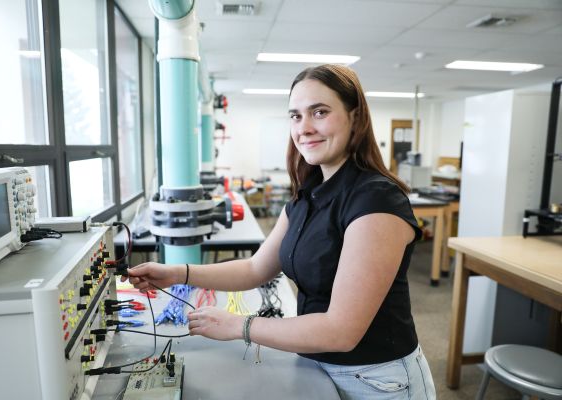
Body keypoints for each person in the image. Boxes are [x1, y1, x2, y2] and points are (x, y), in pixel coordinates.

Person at [124, 64, 436, 399]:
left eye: (319, 112)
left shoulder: (376, 200)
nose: (305, 128)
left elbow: (341, 331)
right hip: (316, 364)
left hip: (378, 380)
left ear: (356, 118)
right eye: (295, 116)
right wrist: (177, 273)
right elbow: (255, 268)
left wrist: (238, 326)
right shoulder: (309, 194)